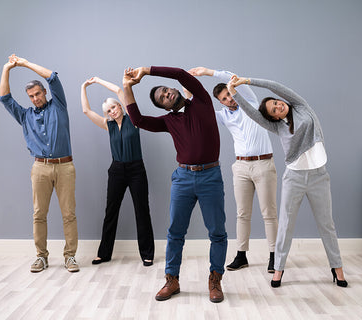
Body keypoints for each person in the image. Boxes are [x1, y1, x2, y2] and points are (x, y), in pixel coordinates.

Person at [227, 75, 348, 288]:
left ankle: (336, 268)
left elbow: (275, 86)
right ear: (272, 119)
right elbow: (253, 114)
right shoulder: (277, 127)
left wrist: (246, 81)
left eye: (276, 103)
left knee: (327, 225)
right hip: (295, 178)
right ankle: (279, 269)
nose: (278, 106)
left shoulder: (301, 107)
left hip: (319, 175)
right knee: (285, 226)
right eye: (273, 110)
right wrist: (234, 94)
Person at [122, 66, 228, 303]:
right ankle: (172, 280)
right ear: (163, 107)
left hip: (211, 176)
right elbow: (137, 119)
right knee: (175, 233)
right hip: (183, 178)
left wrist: (146, 71)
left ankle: (215, 280)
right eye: (162, 98)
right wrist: (127, 87)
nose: (167, 94)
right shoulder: (168, 121)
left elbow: (181, 74)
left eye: (166, 90)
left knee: (217, 233)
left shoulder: (201, 101)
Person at [188, 67, 278, 273]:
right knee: (242, 213)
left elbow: (232, 77)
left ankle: (274, 256)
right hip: (241, 167)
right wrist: (189, 92)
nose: (229, 99)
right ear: (220, 102)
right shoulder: (223, 116)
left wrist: (207, 72)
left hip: (264, 164)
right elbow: (198, 111)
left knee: (269, 213)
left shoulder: (251, 103)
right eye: (224, 98)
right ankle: (241, 255)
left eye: (229, 94)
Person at [0, 54, 79, 273]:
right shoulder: (25, 116)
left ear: (44, 92)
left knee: (68, 214)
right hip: (40, 168)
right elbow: (5, 98)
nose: (35, 99)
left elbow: (52, 77)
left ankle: (70, 257)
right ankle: (41, 257)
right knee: (38, 214)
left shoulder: (59, 105)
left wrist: (24, 63)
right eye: (31, 96)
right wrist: (7, 68)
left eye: (37, 94)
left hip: (65, 167)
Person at [80, 76, 155, 266]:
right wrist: (84, 87)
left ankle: (147, 254)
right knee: (110, 211)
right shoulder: (109, 125)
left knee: (142, 211)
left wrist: (98, 80)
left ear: (120, 107)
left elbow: (120, 91)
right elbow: (86, 110)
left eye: (113, 107)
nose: (111, 112)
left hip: (136, 169)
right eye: (107, 111)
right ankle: (104, 254)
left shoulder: (134, 120)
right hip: (116, 171)